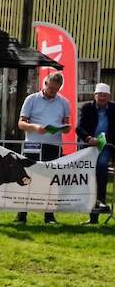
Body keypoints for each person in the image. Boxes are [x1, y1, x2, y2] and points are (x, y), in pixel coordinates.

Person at [15, 72, 70, 224]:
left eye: (56, 89)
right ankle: (21, 214)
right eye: (50, 88)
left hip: (53, 145)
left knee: (51, 181)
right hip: (32, 144)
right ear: (45, 84)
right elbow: (21, 123)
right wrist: (34, 127)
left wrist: (65, 128)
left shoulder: (64, 102)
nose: (52, 92)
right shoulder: (31, 99)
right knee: (26, 178)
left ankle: (49, 215)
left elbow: (67, 126)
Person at [76, 82, 115, 224]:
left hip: (106, 147)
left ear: (109, 96)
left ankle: (101, 203)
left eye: (105, 95)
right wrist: (88, 138)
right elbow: (79, 128)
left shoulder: (114, 109)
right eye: (100, 95)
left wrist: (109, 141)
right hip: (89, 147)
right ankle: (93, 215)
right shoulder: (87, 108)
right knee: (88, 178)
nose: (102, 98)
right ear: (95, 96)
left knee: (101, 169)